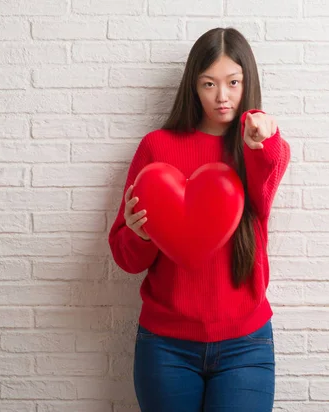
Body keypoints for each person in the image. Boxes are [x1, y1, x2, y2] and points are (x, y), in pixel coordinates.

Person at [108, 27, 290, 412]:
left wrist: (263, 140)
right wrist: (140, 235)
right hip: (166, 346)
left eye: (233, 82)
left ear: (247, 83)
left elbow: (269, 170)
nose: (222, 96)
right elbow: (126, 259)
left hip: (246, 345)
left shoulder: (256, 149)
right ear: (193, 86)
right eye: (209, 83)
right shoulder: (157, 147)